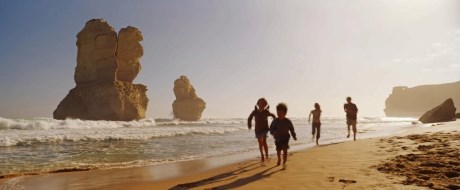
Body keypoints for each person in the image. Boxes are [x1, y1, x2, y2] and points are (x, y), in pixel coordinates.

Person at [248, 98, 276, 162]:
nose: (261, 105)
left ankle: (266, 155)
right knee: (260, 143)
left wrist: (275, 122)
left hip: (265, 129)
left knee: (264, 141)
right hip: (257, 130)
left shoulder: (266, 112)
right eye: (260, 103)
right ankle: (262, 155)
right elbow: (250, 118)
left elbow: (273, 115)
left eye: (263, 104)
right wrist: (249, 124)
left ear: (265, 105)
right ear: (258, 104)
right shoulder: (255, 112)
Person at [269, 103, 297, 169]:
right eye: (278, 113)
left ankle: (284, 162)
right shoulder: (275, 121)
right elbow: (271, 129)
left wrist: (294, 136)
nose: (279, 114)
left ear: (285, 113)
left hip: (285, 138)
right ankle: (279, 159)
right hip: (277, 139)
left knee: (285, 150)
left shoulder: (288, 121)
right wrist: (273, 132)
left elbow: (292, 129)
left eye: (281, 113)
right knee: (278, 150)